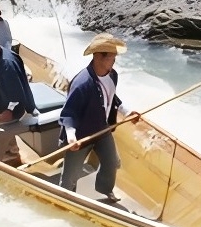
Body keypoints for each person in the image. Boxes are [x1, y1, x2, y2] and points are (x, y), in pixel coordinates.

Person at [57, 33, 142, 201]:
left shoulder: (112, 75)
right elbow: (69, 113)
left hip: (102, 128)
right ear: (98, 57)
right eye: (111, 57)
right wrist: (72, 137)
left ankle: (105, 189)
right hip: (81, 134)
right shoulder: (82, 84)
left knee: (111, 162)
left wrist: (126, 111)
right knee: (70, 175)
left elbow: (111, 97)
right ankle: (64, 197)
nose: (114, 61)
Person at [0, 33, 37, 164]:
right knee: (1, 125)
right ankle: (13, 149)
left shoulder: (7, 65)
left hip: (13, 106)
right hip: (1, 99)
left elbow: (16, 93)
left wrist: (9, 111)